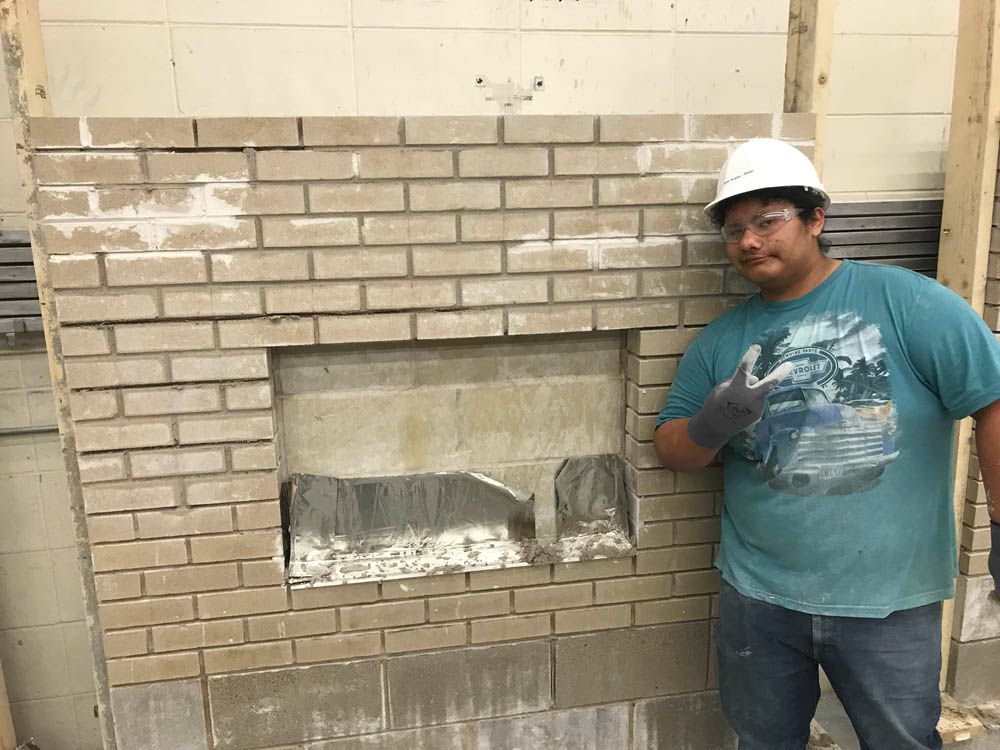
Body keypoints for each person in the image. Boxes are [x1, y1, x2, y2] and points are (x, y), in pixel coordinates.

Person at [653, 138, 1000, 750]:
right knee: (763, 741)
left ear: (816, 219)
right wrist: (715, 422)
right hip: (759, 597)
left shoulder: (911, 305)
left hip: (888, 599)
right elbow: (672, 450)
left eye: (768, 220)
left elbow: (991, 400)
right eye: (734, 231)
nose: (750, 241)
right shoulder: (720, 341)